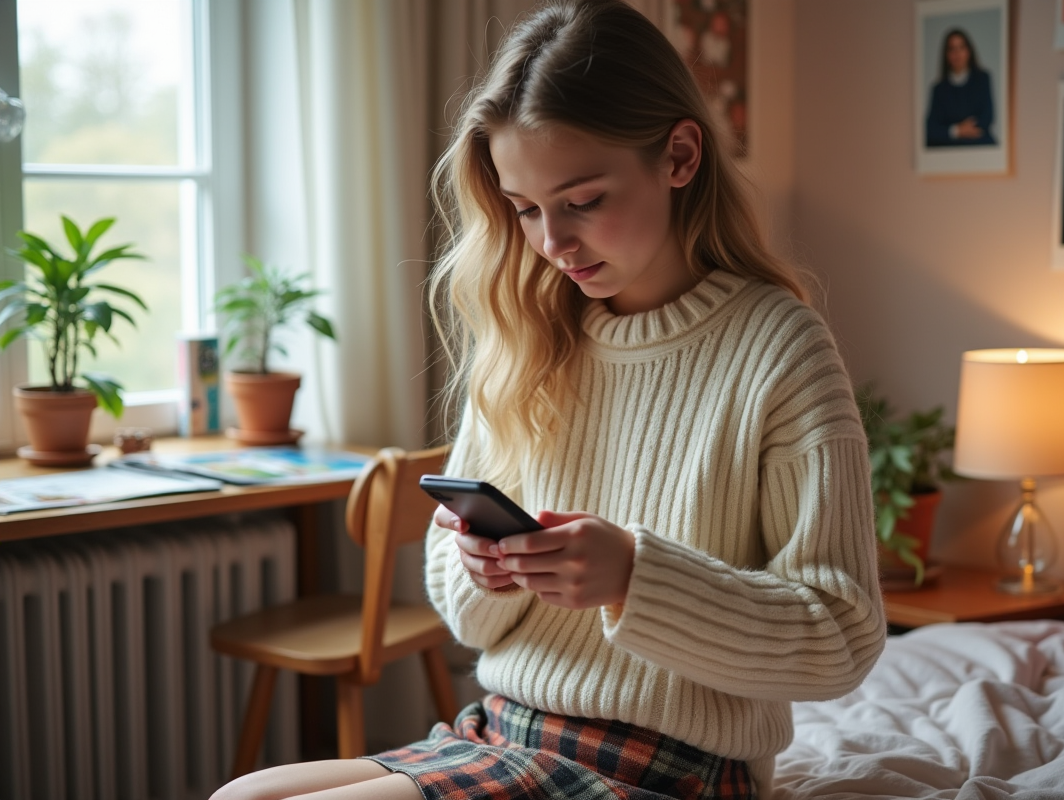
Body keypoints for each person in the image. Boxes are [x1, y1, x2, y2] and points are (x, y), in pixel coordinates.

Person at [211, 1, 885, 798]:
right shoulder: (527, 334)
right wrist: (481, 567)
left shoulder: (779, 349)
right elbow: (464, 618)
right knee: (239, 795)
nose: (551, 243)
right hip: (507, 725)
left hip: (669, 764)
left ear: (678, 154)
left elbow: (842, 636)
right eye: (525, 209)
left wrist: (636, 576)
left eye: (583, 200)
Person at [925, 28, 996, 147]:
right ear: (946, 55)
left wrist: (952, 131)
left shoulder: (982, 79)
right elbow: (931, 130)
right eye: (952, 49)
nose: (957, 54)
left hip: (978, 146)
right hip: (948, 151)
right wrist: (957, 130)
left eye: (961, 47)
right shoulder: (939, 89)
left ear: (968, 51)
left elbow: (986, 118)